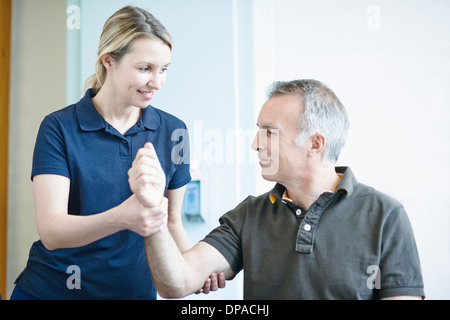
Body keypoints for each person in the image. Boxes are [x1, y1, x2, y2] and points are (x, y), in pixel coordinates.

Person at [133, 79, 425, 300]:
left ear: (315, 144)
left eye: (269, 132)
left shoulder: (385, 216)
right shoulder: (249, 215)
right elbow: (177, 282)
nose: (256, 143)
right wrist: (152, 209)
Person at [10, 6, 221, 300]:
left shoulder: (175, 131)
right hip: (52, 291)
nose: (157, 82)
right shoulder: (59, 127)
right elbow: (52, 231)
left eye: (164, 69)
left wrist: (191, 271)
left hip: (131, 293)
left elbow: (171, 222)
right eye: (145, 68)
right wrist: (123, 217)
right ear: (109, 60)